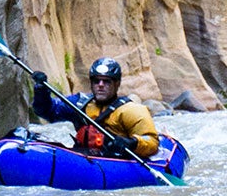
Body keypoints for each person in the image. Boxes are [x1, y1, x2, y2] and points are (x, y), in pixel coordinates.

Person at [31, 57, 159, 159]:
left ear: (117, 84)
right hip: (84, 157)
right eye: (96, 81)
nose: (100, 85)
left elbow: (152, 142)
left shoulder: (131, 110)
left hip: (115, 161)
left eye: (106, 81)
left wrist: (132, 143)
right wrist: (41, 91)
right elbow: (48, 111)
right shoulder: (80, 104)